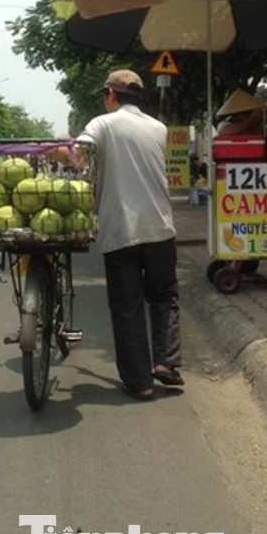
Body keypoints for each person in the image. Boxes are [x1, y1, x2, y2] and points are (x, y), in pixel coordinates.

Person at [77, 69, 182, 401]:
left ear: (110, 94)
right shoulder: (159, 127)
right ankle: (165, 361)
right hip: (161, 226)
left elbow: (81, 153)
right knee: (164, 297)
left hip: (121, 228)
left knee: (128, 307)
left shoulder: (103, 124)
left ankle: (141, 383)